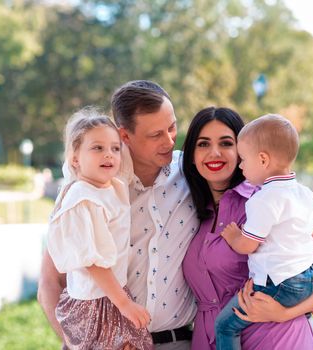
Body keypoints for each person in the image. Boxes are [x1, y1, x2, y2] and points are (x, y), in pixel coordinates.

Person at [38, 80, 199, 349]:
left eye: (172, 127)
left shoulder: (191, 173)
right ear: (125, 136)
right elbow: (50, 282)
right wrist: (81, 344)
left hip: (178, 341)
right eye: (155, 134)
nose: (169, 140)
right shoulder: (88, 189)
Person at [181, 107, 313, 349]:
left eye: (227, 143)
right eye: (203, 144)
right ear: (191, 154)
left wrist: (284, 313)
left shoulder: (268, 201)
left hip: (278, 338)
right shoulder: (188, 211)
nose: (214, 153)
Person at [215, 113, 313, 350]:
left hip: (277, 284)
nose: (241, 166)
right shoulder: (304, 193)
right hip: (310, 278)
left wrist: (234, 236)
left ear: (263, 159)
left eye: (244, 159)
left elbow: (247, 245)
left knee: (224, 325)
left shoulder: (263, 199)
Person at [46, 108, 153, 349]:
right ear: (75, 158)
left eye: (115, 148)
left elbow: (123, 159)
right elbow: (93, 261)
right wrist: (124, 303)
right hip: (96, 302)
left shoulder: (112, 185)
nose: (109, 155)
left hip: (111, 294)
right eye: (97, 148)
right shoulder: (81, 197)